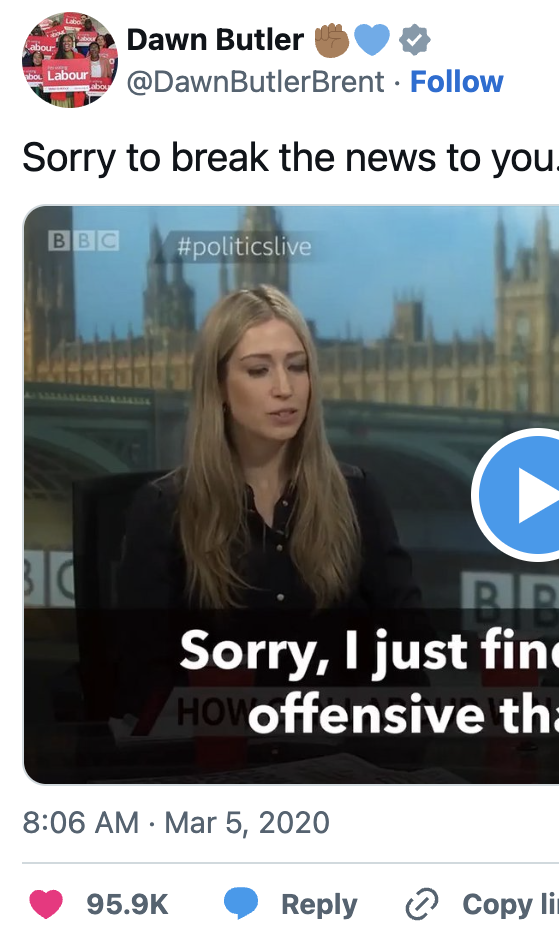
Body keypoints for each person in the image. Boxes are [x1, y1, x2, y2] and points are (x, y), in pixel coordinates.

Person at [114, 285, 430, 716]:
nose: (285, 388)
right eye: (259, 370)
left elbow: (409, 661)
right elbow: (143, 685)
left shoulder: (358, 498)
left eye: (297, 367)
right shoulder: (163, 511)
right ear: (218, 386)